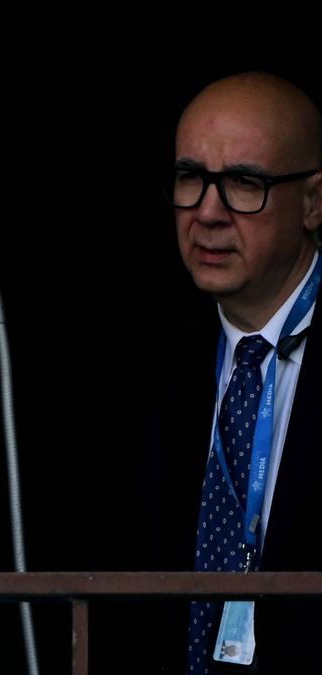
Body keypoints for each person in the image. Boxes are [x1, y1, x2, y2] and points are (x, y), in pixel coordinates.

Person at [91, 72, 322, 674]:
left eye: (245, 183)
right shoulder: (139, 368)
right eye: (191, 178)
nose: (208, 212)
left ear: (314, 201)